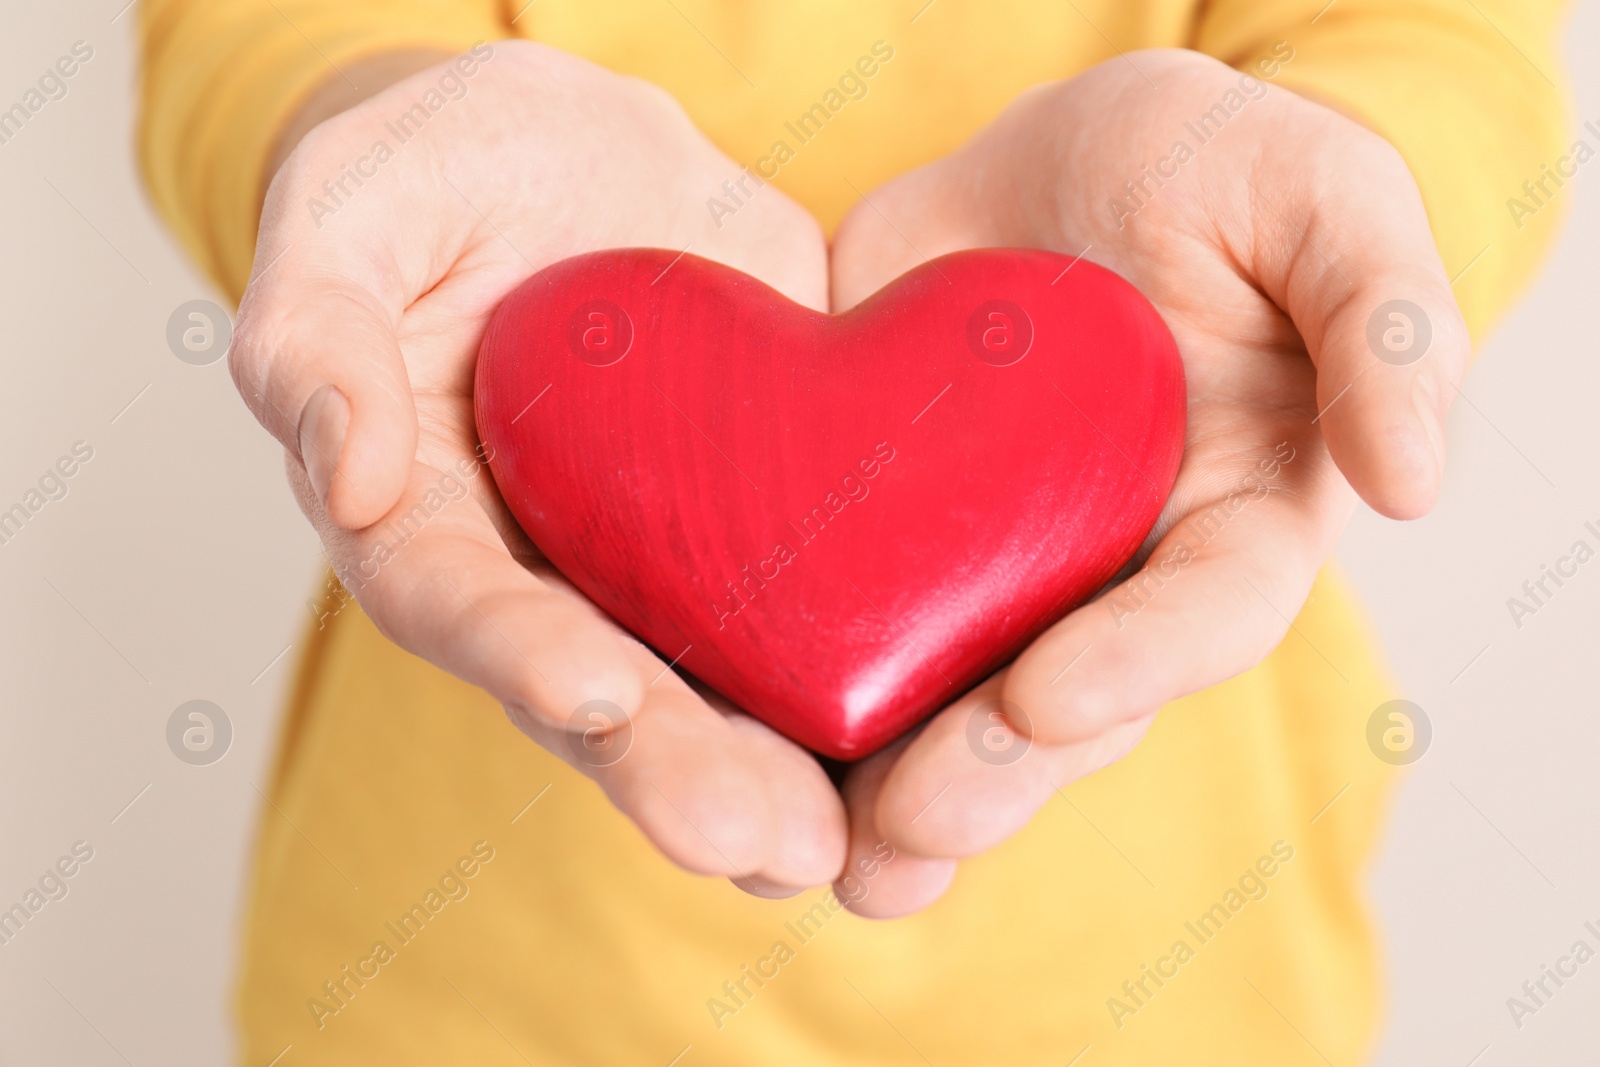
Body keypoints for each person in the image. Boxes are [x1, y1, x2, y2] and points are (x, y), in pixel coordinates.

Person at [138, 1, 1570, 1062]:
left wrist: (1344, 177)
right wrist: (374, 123)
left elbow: (1433, 31)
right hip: (454, 973)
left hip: (1179, 977)